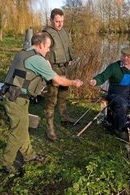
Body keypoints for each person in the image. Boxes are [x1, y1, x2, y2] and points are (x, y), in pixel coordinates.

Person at [1, 32, 83, 174]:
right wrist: (74, 82)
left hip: (14, 96)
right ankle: (6, 162)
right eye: (47, 46)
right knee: (18, 132)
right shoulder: (36, 60)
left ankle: (29, 154)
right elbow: (58, 80)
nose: (48, 50)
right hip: (16, 99)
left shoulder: (23, 53)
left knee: (23, 126)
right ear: (40, 44)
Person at [43, 8, 75, 141]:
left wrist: (70, 58)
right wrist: (48, 69)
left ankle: (64, 117)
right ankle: (49, 129)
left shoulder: (63, 32)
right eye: (57, 21)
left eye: (62, 21)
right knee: (52, 100)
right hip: (53, 69)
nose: (60, 24)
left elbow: (68, 47)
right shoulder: (46, 34)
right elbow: (43, 53)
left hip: (64, 67)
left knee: (63, 95)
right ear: (51, 20)